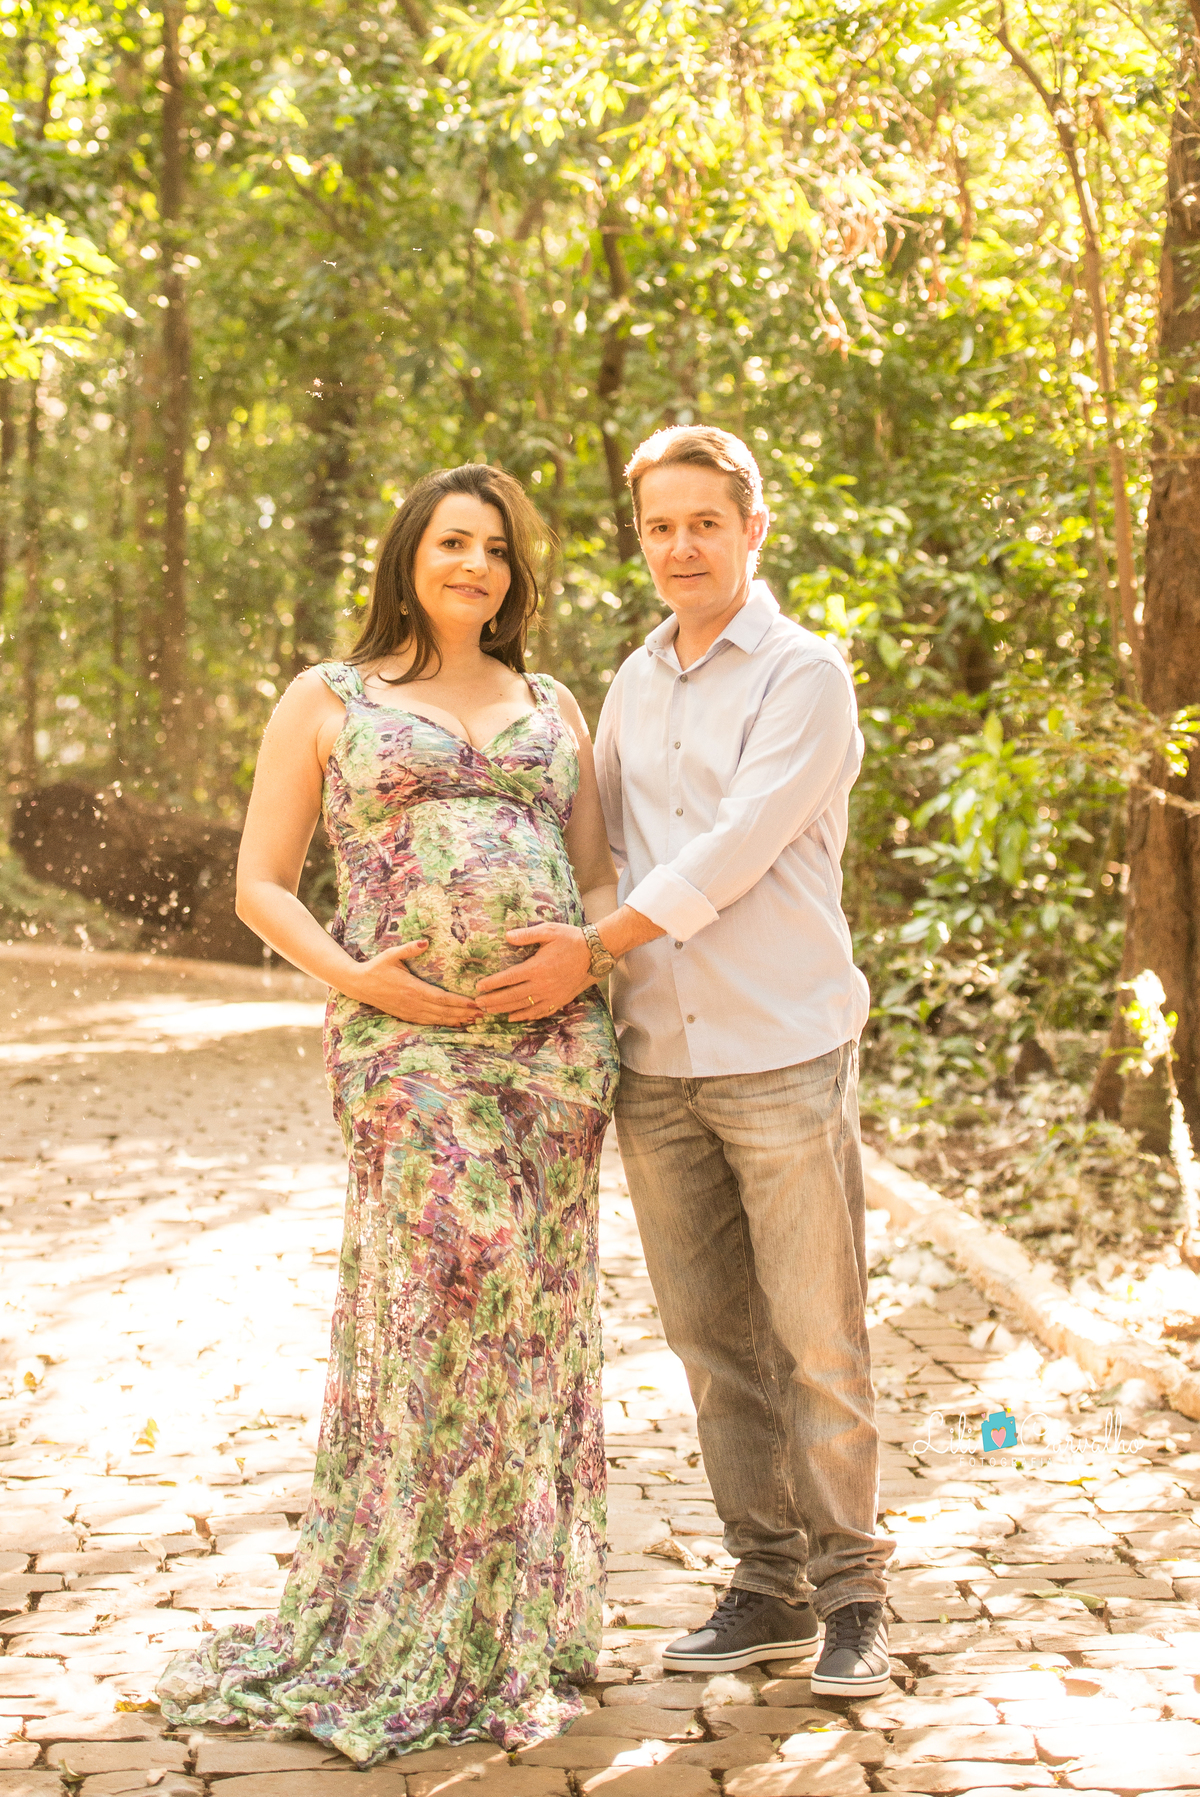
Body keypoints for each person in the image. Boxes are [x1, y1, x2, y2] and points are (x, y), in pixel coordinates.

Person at [156, 463, 621, 1766]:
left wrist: (581, 954)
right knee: (440, 1304)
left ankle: (513, 1619)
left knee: (529, 1322)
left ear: (515, 577)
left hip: (555, 1056)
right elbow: (263, 882)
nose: (474, 563)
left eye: (495, 549)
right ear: (409, 554)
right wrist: (359, 977)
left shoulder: (554, 703)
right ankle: (414, 1606)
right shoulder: (331, 696)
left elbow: (594, 881)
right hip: (404, 1044)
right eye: (452, 540)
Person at [486, 425, 892, 1698]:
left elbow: (734, 848)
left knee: (817, 1339)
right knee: (712, 1342)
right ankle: (762, 1583)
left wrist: (590, 949)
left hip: (780, 1047)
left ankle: (855, 1594)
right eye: (659, 526)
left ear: (753, 527)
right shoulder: (636, 679)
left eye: (703, 523)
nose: (680, 548)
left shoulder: (805, 676)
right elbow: (587, 831)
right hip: (657, 1063)